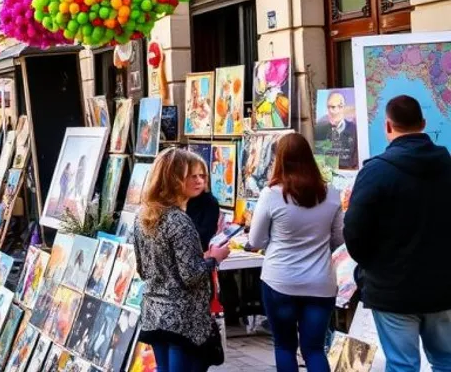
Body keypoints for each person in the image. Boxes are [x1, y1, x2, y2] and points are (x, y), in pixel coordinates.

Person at [344, 95, 451, 371]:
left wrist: (373, 266)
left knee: (402, 364)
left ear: (388, 126)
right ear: (424, 123)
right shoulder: (447, 167)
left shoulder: (376, 172)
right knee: (445, 360)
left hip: (392, 288)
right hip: (442, 286)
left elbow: (354, 233)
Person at [243, 133, 344, 372]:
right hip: (320, 283)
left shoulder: (271, 195)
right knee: (315, 349)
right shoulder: (331, 193)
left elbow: (256, 239)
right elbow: (339, 237)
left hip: (280, 281)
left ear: (279, 159)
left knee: (285, 346)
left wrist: (274, 240)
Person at [132, 148, 229, 372]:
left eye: (200, 175)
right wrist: (215, 258)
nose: (197, 180)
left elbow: (142, 269)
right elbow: (191, 275)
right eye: (189, 175)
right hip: (181, 320)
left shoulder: (143, 216)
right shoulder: (178, 221)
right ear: (176, 180)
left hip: (154, 312)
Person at [314, 91, 358, 169]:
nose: (335, 111)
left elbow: (356, 159)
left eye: (340, 106)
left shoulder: (354, 129)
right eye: (332, 107)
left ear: (344, 108)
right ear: (327, 108)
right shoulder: (319, 130)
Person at [185, 162, 220, 246]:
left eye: (202, 176)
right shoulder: (171, 201)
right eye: (193, 176)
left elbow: (204, 237)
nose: (199, 181)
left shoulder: (209, 202)